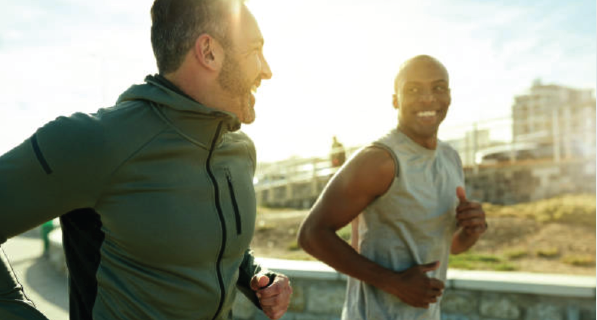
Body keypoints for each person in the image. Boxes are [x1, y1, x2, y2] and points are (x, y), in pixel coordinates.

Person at [0, 0, 293, 319]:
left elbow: (212, 243)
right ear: (208, 51)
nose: (267, 69)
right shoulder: (96, 141)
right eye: (254, 50)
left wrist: (258, 279)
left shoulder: (239, 150)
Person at [298, 55, 487, 320]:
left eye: (438, 88)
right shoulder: (380, 160)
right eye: (413, 90)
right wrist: (394, 282)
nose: (428, 99)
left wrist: (471, 232)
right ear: (395, 100)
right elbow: (311, 235)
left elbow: (448, 246)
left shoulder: (451, 159)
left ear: (449, 96)